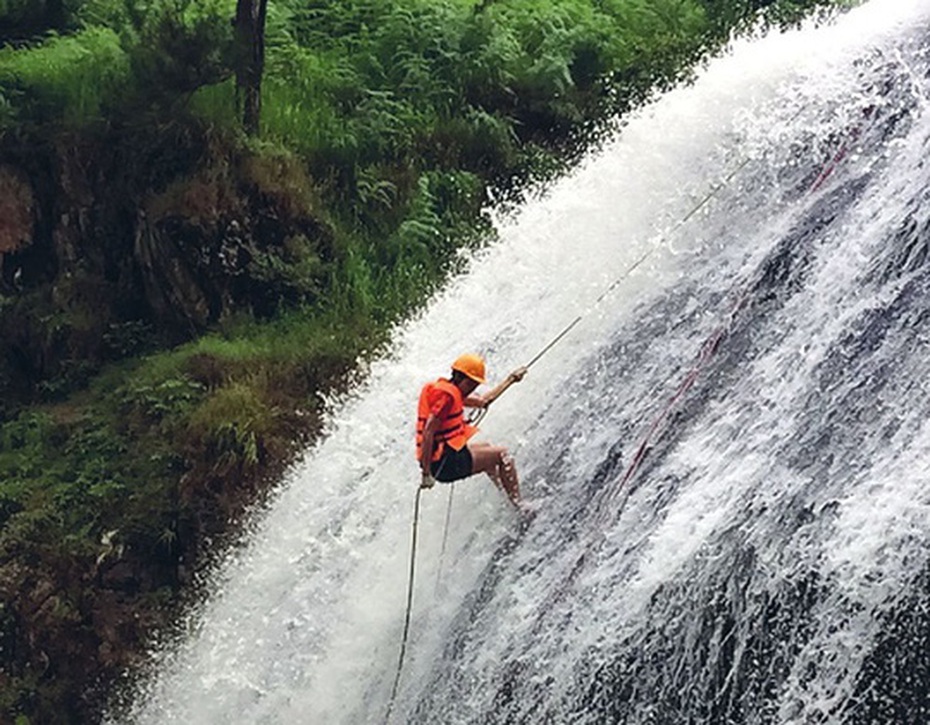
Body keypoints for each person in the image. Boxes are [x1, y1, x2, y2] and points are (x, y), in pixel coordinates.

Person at [416, 353, 527, 507]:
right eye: (471, 384)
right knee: (503, 455)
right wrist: (426, 474)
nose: (472, 389)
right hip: (447, 464)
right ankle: (519, 505)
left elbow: (484, 401)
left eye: (475, 385)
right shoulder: (446, 398)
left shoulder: (451, 391)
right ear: (461, 378)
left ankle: (506, 497)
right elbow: (429, 431)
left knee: (487, 448)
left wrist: (511, 380)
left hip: (448, 457)